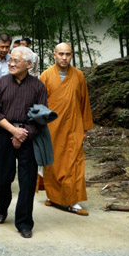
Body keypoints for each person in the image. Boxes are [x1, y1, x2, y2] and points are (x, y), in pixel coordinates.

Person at [0, 46, 47, 239]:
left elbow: (41, 116)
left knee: (28, 181)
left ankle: (24, 222)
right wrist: (13, 131)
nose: (11, 63)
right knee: (3, 178)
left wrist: (24, 133)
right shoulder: (1, 84)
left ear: (29, 64)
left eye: (16, 60)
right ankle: (3, 206)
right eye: (10, 60)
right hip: (4, 134)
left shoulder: (38, 86)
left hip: (28, 136)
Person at [40, 42, 94, 216]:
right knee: (53, 164)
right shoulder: (46, 76)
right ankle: (55, 197)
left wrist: (85, 127)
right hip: (52, 128)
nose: (64, 57)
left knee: (74, 163)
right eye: (61, 54)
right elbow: (40, 105)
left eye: (68, 54)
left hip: (73, 126)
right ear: (54, 55)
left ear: (72, 56)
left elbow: (84, 102)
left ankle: (72, 201)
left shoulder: (78, 76)